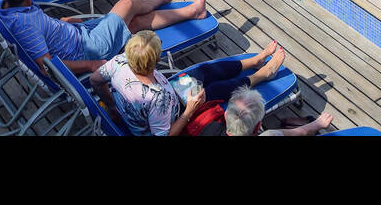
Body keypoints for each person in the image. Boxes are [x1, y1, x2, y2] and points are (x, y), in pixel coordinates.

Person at [0, 0, 209, 75]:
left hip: (78, 35)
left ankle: (193, 12)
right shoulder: (25, 26)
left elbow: (41, 33)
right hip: (88, 50)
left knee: (132, 24)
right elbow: (47, 66)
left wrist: (62, 23)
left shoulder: (2, 7)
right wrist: (90, 64)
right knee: (127, 4)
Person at [92, 31, 290, 136]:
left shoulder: (119, 61)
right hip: (173, 113)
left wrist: (112, 105)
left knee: (203, 71)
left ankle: (254, 61)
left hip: (169, 95)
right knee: (214, 90)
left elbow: (95, 80)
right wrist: (190, 110)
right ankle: (263, 75)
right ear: (154, 62)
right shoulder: (156, 98)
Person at [221, 86, 334, 137]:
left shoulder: (210, 128)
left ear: (226, 114)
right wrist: (317, 124)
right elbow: (299, 133)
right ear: (257, 127)